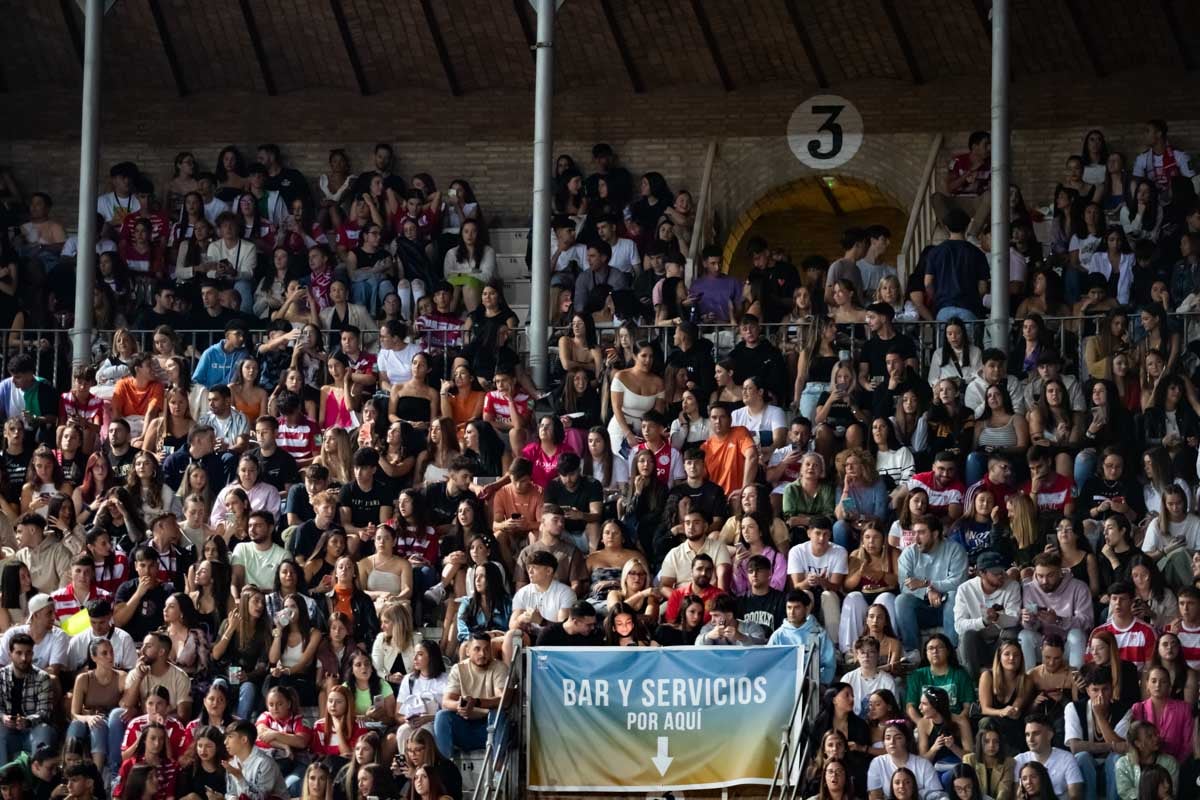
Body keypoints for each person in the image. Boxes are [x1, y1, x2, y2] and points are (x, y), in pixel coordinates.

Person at [896, 515, 968, 662]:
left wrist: (927, 583)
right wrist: (928, 590)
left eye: (921, 533)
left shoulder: (955, 550)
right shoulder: (909, 553)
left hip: (948, 606)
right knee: (901, 600)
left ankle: (951, 651)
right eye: (914, 533)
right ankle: (913, 653)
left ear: (935, 534)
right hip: (922, 608)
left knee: (955, 595)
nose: (916, 539)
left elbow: (959, 582)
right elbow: (904, 585)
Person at [433, 633, 507, 760]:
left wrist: (476, 702)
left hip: (487, 726)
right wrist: (460, 705)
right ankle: (444, 770)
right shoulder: (459, 669)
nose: (482, 654)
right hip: (465, 725)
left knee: (498, 715)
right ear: (467, 651)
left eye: (486, 649)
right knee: (442, 716)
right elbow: (446, 702)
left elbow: (503, 700)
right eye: (477, 649)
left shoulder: (499, 667)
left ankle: (497, 771)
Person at [1065, 666, 1133, 800]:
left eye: (1105, 689)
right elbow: (1075, 747)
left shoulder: (1124, 710)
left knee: (1117, 759)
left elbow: (1121, 748)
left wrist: (1099, 716)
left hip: (1110, 764)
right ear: (1087, 691)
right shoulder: (1073, 707)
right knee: (1082, 756)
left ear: (1112, 689)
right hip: (1087, 765)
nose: (1100, 695)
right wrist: (1111, 746)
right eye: (1095, 690)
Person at [1019, 552, 1093, 669]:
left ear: (1060, 572)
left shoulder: (1079, 587)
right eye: (1040, 576)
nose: (1044, 581)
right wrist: (1028, 620)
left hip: (1069, 645)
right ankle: (1028, 680)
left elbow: (1087, 622)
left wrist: (1059, 620)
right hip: (1043, 646)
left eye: (1050, 575)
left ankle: (1076, 681)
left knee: (1077, 635)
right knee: (1024, 635)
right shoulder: (1029, 589)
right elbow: (1030, 628)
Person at [953, 550, 1022, 677]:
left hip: (1000, 640)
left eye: (1002, 571)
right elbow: (959, 625)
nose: (1001, 576)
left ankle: (1007, 678)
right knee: (967, 636)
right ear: (981, 573)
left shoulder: (1012, 586)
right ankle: (973, 683)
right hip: (977, 643)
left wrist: (997, 617)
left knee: (1012, 632)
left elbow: (1014, 619)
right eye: (996, 573)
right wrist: (983, 621)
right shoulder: (965, 589)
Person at [0, 633, 54, 762]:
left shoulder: (42, 678)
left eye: (28, 653)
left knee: (44, 730)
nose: (24, 658)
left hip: (33, 729)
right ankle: (3, 778)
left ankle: (38, 779)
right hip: (7, 730)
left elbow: (45, 712)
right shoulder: (1, 676)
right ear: (10, 654)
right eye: (19, 653)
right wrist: (3, 717)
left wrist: (28, 721)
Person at [767, 589, 835, 684]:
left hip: (813, 687)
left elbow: (829, 665)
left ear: (806, 609)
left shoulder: (819, 634)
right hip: (783, 686)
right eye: (789, 607)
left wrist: (821, 684)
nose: (792, 612)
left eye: (797, 607)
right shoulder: (778, 635)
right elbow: (770, 665)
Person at [1013, 714, 1084, 800]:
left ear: (1050, 735)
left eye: (1036, 733)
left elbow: (1075, 796)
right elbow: (1016, 796)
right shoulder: (1019, 760)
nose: (1030, 739)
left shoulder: (1067, 759)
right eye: (1027, 735)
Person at [223, 719, 288, 800]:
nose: (225, 742)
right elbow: (231, 793)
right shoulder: (232, 764)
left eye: (230, 737)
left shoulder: (265, 763)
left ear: (244, 739)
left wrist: (239, 777)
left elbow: (260, 798)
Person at [695, 593, 767, 646]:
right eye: (711, 616)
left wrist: (741, 637)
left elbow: (761, 645)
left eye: (716, 615)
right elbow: (697, 647)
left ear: (729, 615)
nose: (712, 620)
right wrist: (708, 636)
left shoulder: (750, 626)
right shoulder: (709, 628)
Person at [534, 602, 602, 647]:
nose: (593, 627)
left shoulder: (594, 634)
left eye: (593, 624)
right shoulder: (549, 634)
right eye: (589, 625)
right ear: (575, 622)